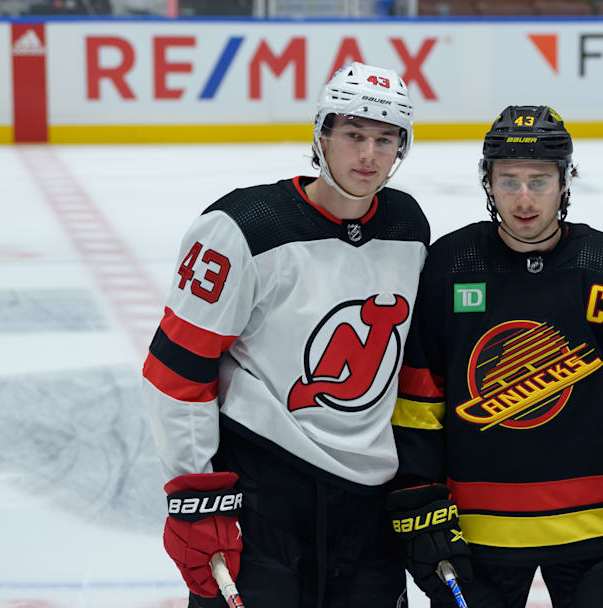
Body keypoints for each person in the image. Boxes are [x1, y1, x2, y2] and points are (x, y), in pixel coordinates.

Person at [141, 62, 429, 608]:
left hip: (369, 507)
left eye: (385, 139)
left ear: (402, 148)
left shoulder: (408, 226)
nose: (368, 155)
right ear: (320, 136)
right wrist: (195, 496)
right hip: (263, 494)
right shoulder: (241, 228)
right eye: (352, 135)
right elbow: (177, 372)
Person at [387, 105, 603, 608]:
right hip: (476, 539)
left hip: (598, 536)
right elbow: (418, 403)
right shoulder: (448, 266)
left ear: (565, 181)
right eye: (509, 181)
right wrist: (421, 502)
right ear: (488, 182)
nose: (524, 200)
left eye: (539, 181)